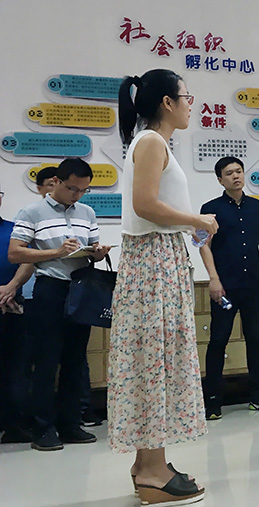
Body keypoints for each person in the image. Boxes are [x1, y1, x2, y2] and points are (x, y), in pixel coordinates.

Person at [108, 69, 215, 505]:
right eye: (187, 97)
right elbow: (145, 204)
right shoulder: (152, 141)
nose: (191, 105)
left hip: (158, 259)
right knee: (155, 359)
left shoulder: (152, 142)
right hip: (153, 261)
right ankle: (153, 469)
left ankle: (148, 463)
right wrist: (196, 219)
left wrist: (190, 226)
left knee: (155, 360)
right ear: (167, 103)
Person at [7, 159, 112, 451]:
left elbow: (92, 250)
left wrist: (98, 252)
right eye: (72, 189)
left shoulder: (87, 213)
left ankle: (70, 424)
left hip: (81, 289)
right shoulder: (32, 212)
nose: (77, 195)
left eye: (83, 190)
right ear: (56, 182)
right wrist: (56, 252)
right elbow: (16, 253)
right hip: (50, 289)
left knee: (75, 360)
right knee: (46, 360)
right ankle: (43, 428)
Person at [199, 155, 259, 420]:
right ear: (220, 179)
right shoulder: (210, 209)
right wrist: (213, 279)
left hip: (254, 283)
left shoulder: (257, 206)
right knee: (218, 339)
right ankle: (213, 400)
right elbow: (203, 245)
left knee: (255, 338)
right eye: (229, 173)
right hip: (225, 286)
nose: (236, 176)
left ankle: (258, 395)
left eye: (239, 171)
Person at [0, 182, 35, 444]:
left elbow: (29, 260)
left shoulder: (14, 231)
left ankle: (14, 425)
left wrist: (11, 287)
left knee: (16, 369)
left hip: (12, 308)